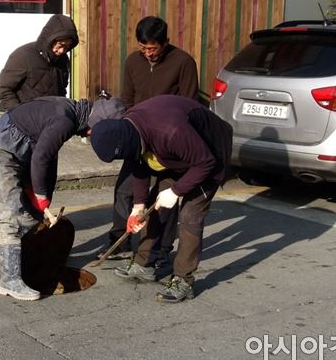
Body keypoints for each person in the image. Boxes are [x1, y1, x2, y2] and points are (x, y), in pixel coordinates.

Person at [0, 96, 124, 301]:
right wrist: (41, 195)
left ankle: (21, 265)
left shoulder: (70, 111)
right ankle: (9, 280)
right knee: (9, 214)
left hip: (18, 154)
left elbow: (49, 158)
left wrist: (42, 197)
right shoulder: (65, 119)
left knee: (29, 216)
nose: (89, 135)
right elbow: (41, 158)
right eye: (94, 132)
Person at [90, 95, 233, 303]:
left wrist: (176, 191)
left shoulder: (170, 132)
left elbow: (205, 162)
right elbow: (138, 165)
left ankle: (184, 280)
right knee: (154, 204)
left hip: (211, 153)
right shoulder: (129, 127)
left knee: (190, 214)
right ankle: (145, 263)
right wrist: (138, 208)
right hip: (178, 154)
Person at [100, 16, 200, 262]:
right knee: (126, 189)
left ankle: (162, 249)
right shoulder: (133, 61)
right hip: (140, 137)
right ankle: (120, 242)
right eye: (142, 48)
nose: (147, 54)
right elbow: (128, 100)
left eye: (152, 48)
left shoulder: (183, 62)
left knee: (164, 196)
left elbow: (190, 104)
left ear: (165, 43)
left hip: (169, 140)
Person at [0, 15, 78, 110]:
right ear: (50, 40)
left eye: (67, 46)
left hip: (53, 117)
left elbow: (62, 90)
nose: (62, 51)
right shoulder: (23, 55)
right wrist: (18, 114)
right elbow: (4, 88)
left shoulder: (63, 60)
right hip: (26, 117)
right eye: (60, 45)